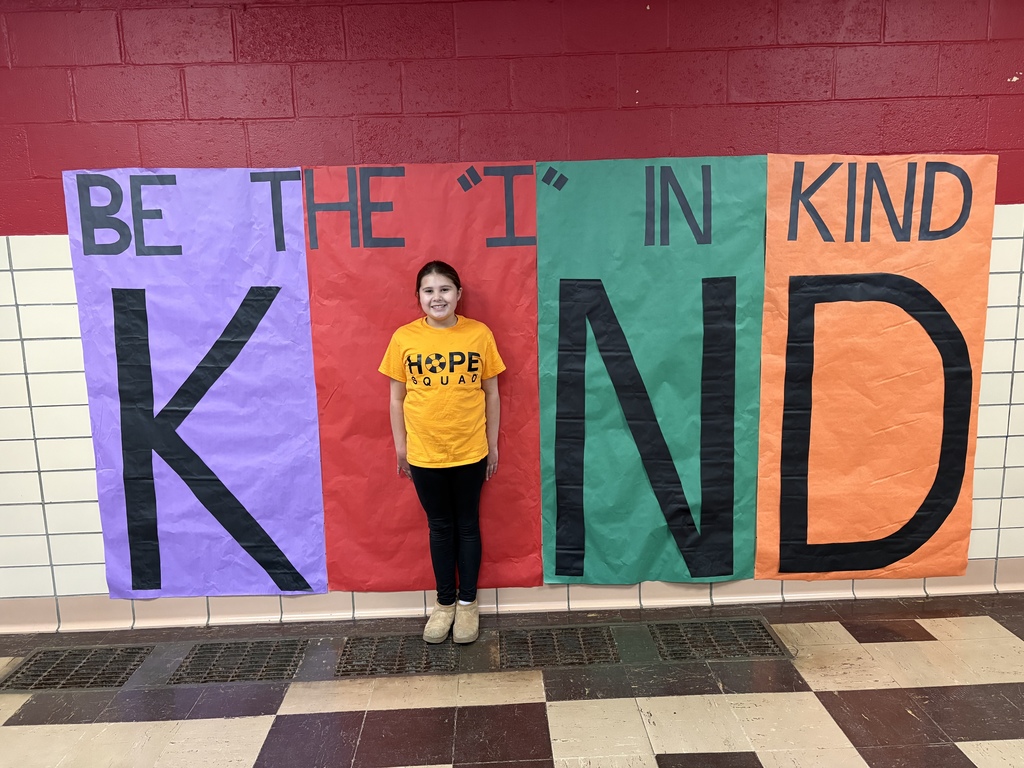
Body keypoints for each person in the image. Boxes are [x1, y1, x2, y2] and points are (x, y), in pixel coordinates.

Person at [379, 261, 504, 644]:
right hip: (424, 452)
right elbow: (397, 397)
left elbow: (492, 392)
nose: (438, 297)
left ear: (458, 294)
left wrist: (492, 445)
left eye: (445, 289)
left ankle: (468, 604)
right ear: (418, 297)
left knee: (467, 524)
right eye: (429, 291)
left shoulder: (479, 334)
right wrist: (401, 447)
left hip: (469, 449)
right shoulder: (404, 338)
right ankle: (444, 604)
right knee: (439, 527)